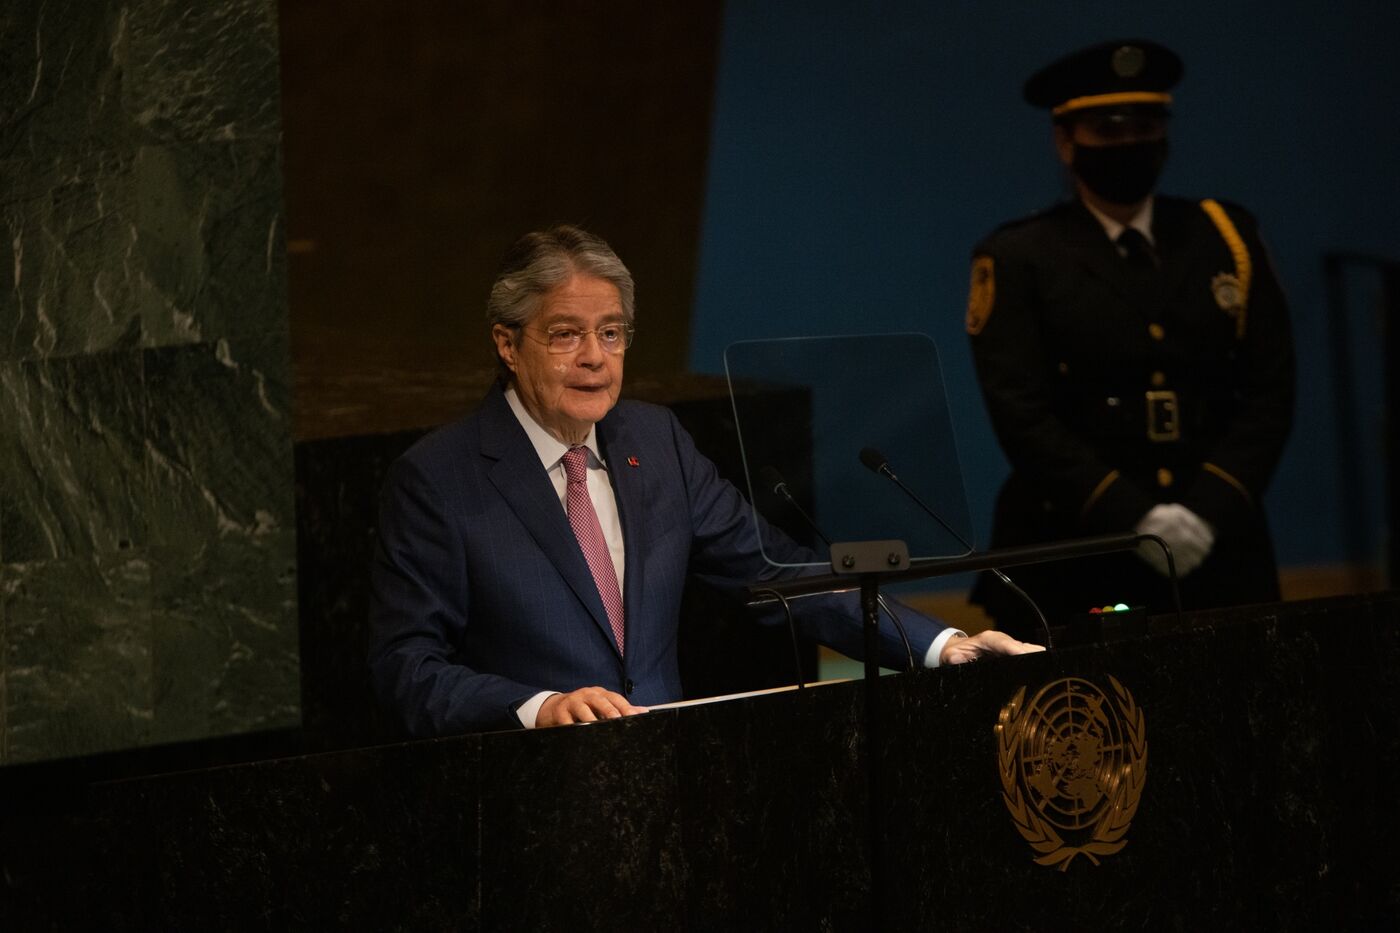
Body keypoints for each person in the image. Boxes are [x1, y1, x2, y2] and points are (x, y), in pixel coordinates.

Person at [370, 224, 1041, 737]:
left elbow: (787, 576)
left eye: (611, 333)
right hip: (525, 796)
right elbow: (408, 668)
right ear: (507, 344)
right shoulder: (438, 479)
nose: (595, 359)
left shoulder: (655, 442)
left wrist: (942, 645)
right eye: (566, 335)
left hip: (667, 780)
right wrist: (540, 707)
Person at [964, 40, 1295, 641]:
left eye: (1144, 127)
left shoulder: (1227, 236)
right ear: (1066, 142)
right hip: (1078, 544)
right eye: (1106, 129)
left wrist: (1207, 510)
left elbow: (1271, 390)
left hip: (1217, 541)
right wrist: (1132, 516)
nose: (1127, 145)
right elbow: (1020, 412)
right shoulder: (1019, 255)